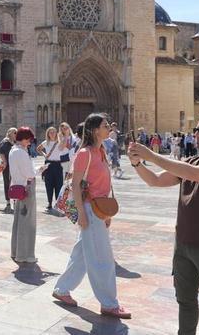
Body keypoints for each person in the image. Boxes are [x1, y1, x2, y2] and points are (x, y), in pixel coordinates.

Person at [129, 112, 199, 334]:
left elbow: (196, 174)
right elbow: (156, 180)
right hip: (183, 245)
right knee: (185, 302)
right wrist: (137, 163)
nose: (195, 134)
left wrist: (152, 155)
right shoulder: (192, 160)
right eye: (195, 130)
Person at [53, 113, 130, 319]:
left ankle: (61, 290)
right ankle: (109, 303)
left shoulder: (101, 150)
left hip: (99, 210)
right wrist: (81, 213)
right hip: (89, 210)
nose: (109, 128)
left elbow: (104, 183)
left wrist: (107, 213)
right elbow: (76, 185)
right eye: (105, 126)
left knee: (82, 254)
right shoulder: (85, 153)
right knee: (101, 258)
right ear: (95, 130)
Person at [9, 126, 38, 263]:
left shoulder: (13, 150)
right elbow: (29, 174)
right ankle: (25, 255)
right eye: (29, 140)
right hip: (26, 188)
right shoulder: (21, 152)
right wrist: (40, 170)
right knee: (27, 222)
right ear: (24, 138)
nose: (30, 143)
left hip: (17, 187)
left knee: (19, 221)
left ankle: (16, 251)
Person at [37, 127, 64, 215]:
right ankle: (49, 203)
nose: (52, 134)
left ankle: (57, 203)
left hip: (58, 164)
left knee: (59, 184)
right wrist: (45, 155)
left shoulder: (60, 142)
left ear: (56, 133)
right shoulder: (46, 142)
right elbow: (38, 149)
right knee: (48, 184)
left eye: (54, 132)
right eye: (50, 132)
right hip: (48, 165)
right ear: (48, 134)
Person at [0, 128, 17, 213]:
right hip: (8, 166)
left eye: (17, 133)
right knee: (7, 183)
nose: (16, 134)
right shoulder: (6, 142)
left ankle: (16, 201)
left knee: (15, 183)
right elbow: (1, 152)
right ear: (9, 133)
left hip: (15, 166)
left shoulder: (15, 143)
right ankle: (8, 203)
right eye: (14, 133)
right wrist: (4, 161)